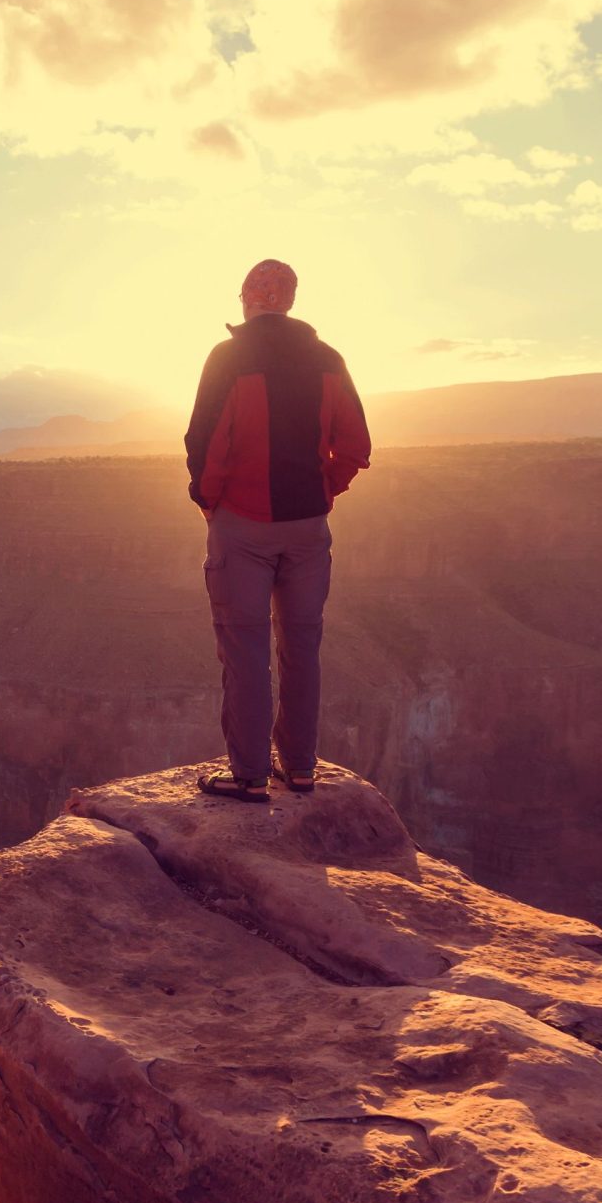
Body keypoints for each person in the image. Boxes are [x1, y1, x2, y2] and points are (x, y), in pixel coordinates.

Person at [182, 259, 372, 802]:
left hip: (243, 525)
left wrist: (210, 502)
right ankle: (302, 769)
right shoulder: (328, 359)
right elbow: (356, 446)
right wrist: (324, 491)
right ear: (289, 299)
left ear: (247, 297)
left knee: (244, 649)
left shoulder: (229, 357)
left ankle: (249, 775)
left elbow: (204, 442)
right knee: (302, 646)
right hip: (309, 529)